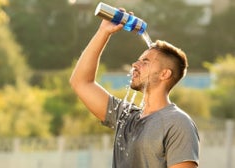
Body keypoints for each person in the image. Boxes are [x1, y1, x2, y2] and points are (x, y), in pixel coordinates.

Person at [69, 9, 200, 168]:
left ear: (164, 74)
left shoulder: (178, 123)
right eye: (138, 60)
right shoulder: (126, 117)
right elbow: (81, 82)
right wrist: (103, 32)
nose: (135, 65)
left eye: (145, 62)